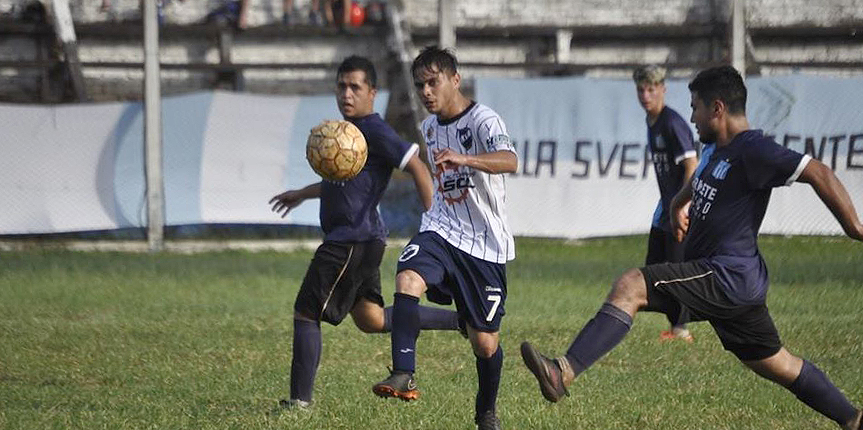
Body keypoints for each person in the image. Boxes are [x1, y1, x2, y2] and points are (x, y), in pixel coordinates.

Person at [519, 65, 863, 429]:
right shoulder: (718, 148)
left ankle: (563, 372)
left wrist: (855, 228)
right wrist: (678, 202)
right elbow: (699, 178)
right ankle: (853, 419)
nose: (692, 116)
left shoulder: (753, 149)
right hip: (736, 283)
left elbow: (818, 171)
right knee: (779, 363)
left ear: (717, 108)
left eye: (696, 106)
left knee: (631, 286)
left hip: (725, 275)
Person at [270, 55, 461, 409]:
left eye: (355, 86)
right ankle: (462, 320)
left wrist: (436, 218)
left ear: (372, 92)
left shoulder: (373, 129)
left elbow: (418, 167)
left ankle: (299, 402)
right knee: (372, 320)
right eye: (341, 86)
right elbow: (342, 180)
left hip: (349, 241)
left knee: (306, 313)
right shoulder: (346, 132)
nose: (347, 93)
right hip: (366, 239)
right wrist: (302, 193)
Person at [371, 46, 518, 430]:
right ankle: (403, 372)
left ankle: (486, 412)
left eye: (433, 82)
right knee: (407, 277)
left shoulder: (484, 120)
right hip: (442, 228)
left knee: (485, 343)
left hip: (485, 243)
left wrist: (467, 159)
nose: (425, 92)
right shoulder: (430, 127)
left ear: (455, 80)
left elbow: (510, 160)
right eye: (420, 85)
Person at [633, 65, 698, 342]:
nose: (645, 95)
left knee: (675, 267)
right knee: (653, 266)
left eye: (651, 89)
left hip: (680, 206)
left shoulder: (672, 123)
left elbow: (692, 166)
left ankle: (681, 329)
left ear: (663, 89)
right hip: (665, 205)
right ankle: (676, 322)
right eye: (641, 89)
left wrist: (682, 206)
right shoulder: (652, 122)